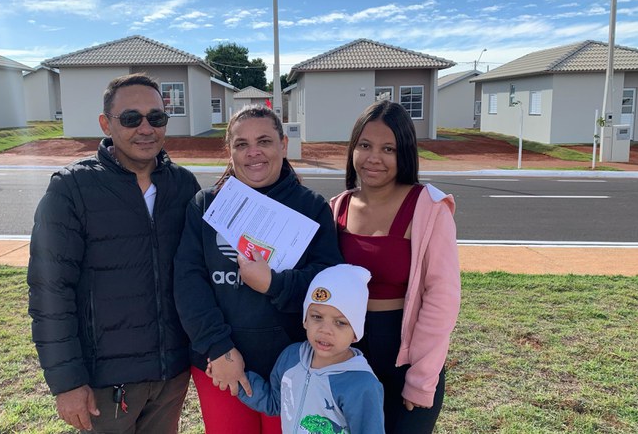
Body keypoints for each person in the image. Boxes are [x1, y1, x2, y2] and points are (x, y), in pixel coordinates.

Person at [28, 73, 201, 433]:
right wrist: (67, 383)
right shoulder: (71, 190)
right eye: (130, 118)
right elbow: (50, 292)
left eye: (156, 118)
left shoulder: (183, 185)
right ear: (106, 123)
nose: (145, 128)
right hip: (105, 384)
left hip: (171, 374)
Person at [173, 104, 343, 434]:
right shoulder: (206, 205)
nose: (253, 153)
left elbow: (327, 284)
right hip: (220, 364)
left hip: (294, 364)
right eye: (241, 144)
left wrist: (273, 284)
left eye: (264, 141)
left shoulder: (311, 206)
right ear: (230, 150)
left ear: (283, 144)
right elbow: (187, 282)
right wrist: (218, 349)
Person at [329, 100, 461, 434]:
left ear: (405, 153)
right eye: (365, 145)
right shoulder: (336, 208)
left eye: (388, 148)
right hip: (348, 353)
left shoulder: (428, 207)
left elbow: (442, 297)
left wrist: (421, 377)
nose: (374, 158)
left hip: (404, 353)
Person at [236, 264, 385, 434]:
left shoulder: (362, 384)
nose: (325, 330)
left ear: (355, 333)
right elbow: (276, 403)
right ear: (305, 320)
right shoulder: (291, 357)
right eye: (317, 317)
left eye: (340, 322)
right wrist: (239, 380)